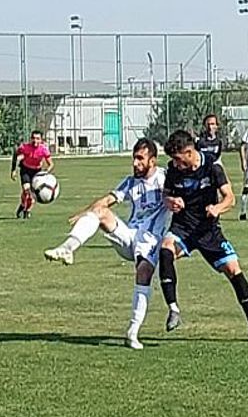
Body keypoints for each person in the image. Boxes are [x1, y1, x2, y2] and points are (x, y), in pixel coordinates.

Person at [44, 138, 167, 350]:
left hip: (150, 240)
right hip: (129, 235)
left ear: (152, 161)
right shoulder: (130, 182)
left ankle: (132, 332)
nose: (135, 163)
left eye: (140, 159)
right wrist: (86, 213)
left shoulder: (165, 178)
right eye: (134, 158)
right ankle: (67, 248)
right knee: (100, 212)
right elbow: (106, 201)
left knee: (143, 272)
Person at [159, 130, 248, 344]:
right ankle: (173, 309)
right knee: (165, 249)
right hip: (183, 228)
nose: (176, 164)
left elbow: (230, 198)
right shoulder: (173, 170)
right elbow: (166, 195)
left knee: (234, 271)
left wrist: (217, 208)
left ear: (189, 152)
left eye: (179, 159)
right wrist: (170, 201)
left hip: (209, 232)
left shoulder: (212, 166)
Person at [10, 130, 53, 219]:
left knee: (33, 195)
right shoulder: (25, 147)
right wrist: (13, 170)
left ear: (41, 140)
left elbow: (51, 164)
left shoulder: (43, 149)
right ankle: (22, 205)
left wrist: (47, 171)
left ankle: (27, 211)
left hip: (37, 172)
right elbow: (15, 154)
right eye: (33, 138)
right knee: (26, 190)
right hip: (25, 170)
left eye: (37, 138)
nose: (35, 141)